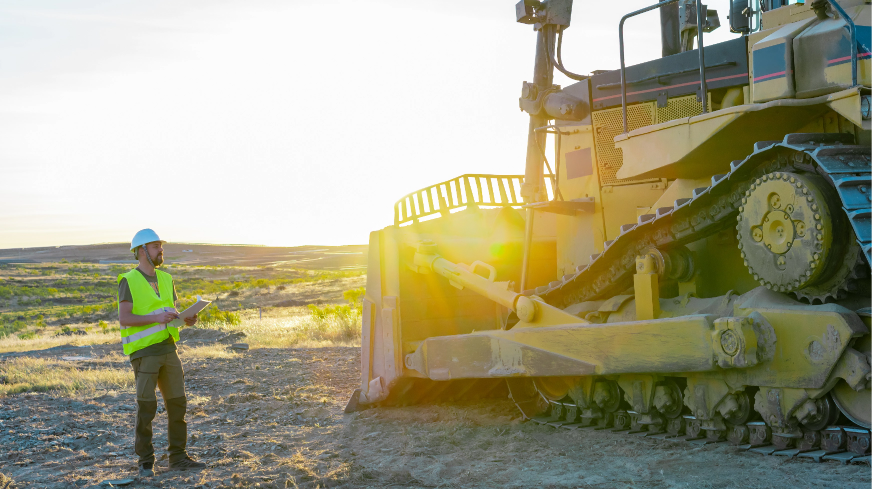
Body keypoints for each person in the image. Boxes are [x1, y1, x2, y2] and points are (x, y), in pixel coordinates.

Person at [117, 228, 206, 477]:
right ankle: (146, 461)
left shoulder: (166, 279)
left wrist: (187, 319)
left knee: (178, 404)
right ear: (142, 251)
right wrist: (155, 318)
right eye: (156, 246)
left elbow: (171, 314)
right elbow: (125, 318)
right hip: (144, 352)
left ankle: (178, 457)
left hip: (169, 348)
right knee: (147, 408)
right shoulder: (128, 280)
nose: (161, 250)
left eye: (160, 245)